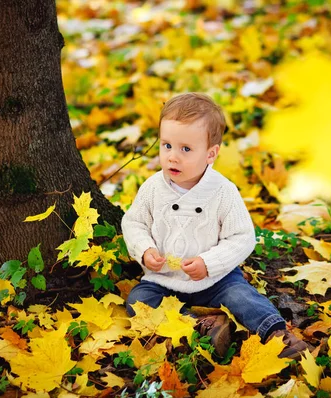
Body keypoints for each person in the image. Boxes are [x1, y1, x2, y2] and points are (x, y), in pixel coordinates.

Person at [121, 92, 312, 359]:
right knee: (138, 301)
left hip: (215, 279)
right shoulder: (153, 187)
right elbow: (134, 222)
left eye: (185, 149)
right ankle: (200, 326)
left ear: (211, 154)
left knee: (241, 296)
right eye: (167, 146)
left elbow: (242, 237)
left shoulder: (222, 191)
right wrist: (144, 249)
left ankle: (276, 334)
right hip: (163, 279)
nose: (173, 157)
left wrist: (209, 263)